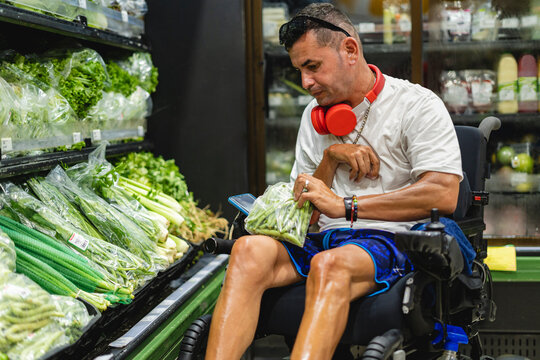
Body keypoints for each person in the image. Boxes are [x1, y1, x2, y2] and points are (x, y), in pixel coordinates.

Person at [206, 3, 463, 359]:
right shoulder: (314, 119)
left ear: (350, 51)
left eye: (313, 66)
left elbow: (443, 194)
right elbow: (306, 217)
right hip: (324, 237)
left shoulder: (416, 105)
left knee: (331, 265)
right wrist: (330, 159)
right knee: (247, 250)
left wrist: (346, 206)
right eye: (299, 70)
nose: (306, 82)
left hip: (390, 239)